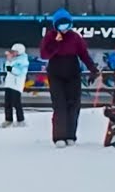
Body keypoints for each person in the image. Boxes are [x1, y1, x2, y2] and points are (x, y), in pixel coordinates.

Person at [40, 8, 99, 147]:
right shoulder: (50, 37)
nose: (64, 29)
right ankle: (59, 136)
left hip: (72, 72)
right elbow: (44, 54)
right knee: (59, 105)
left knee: (73, 105)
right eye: (61, 26)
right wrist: (56, 42)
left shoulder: (75, 37)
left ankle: (70, 135)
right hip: (56, 73)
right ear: (55, 25)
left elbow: (83, 54)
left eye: (67, 25)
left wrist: (93, 69)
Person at [1, 44, 29, 127]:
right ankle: (8, 119)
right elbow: (7, 68)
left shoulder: (23, 61)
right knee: (7, 103)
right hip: (9, 83)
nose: (13, 53)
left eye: (15, 51)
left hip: (17, 84)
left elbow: (18, 72)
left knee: (16, 103)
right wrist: (9, 62)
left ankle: (21, 120)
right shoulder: (13, 59)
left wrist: (10, 67)